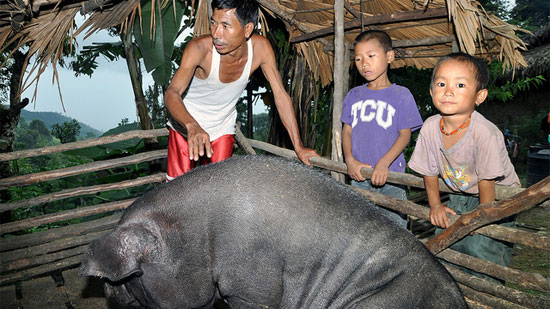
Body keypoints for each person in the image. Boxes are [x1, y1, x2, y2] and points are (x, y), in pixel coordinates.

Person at [164, 0, 317, 180]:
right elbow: (171, 93)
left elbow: (281, 96)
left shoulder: (261, 49)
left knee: (219, 190)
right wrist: (192, 126)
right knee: (177, 191)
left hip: (222, 127)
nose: (216, 33)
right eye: (213, 23)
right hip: (186, 125)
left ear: (247, 29)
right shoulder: (199, 49)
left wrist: (298, 146)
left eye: (225, 26)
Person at [408, 52, 520, 280]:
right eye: (441, 83)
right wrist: (435, 205)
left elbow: (487, 183)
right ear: (431, 92)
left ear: (480, 96)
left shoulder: (484, 132)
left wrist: (482, 218)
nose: (448, 90)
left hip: (497, 199)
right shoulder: (430, 127)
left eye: (460, 84)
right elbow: (429, 172)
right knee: (447, 249)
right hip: (461, 194)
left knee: (482, 254)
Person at [341, 30, 423, 228]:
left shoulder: (401, 95)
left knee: (393, 235)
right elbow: (347, 131)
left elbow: (405, 135)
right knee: (360, 232)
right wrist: (349, 160)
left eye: (371, 56)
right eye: (358, 59)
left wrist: (384, 164)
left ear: (389, 56)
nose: (364, 63)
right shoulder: (353, 95)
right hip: (359, 175)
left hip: (391, 177)